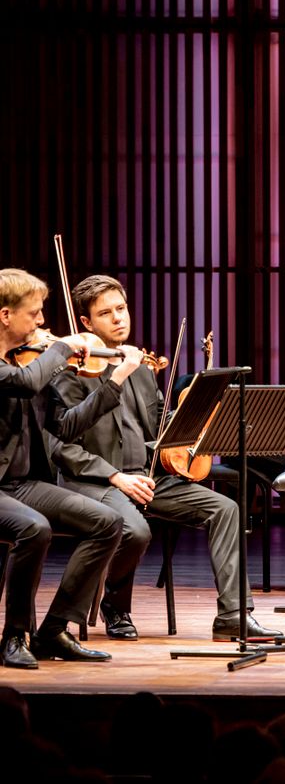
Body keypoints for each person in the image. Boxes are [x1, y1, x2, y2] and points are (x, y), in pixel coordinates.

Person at [52, 274, 282, 642]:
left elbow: (159, 427)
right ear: (85, 323)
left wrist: (195, 412)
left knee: (226, 509)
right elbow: (61, 446)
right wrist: (116, 477)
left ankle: (234, 616)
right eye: (106, 313)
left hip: (146, 478)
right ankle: (116, 605)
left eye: (121, 309)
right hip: (96, 482)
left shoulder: (143, 368)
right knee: (136, 530)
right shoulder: (70, 372)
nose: (118, 318)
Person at [0, 268, 140, 666]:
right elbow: (24, 382)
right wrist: (60, 350)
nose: (43, 323)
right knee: (34, 528)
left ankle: (54, 629)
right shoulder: (25, 367)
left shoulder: (33, 361)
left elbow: (64, 426)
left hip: (23, 483)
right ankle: (14, 636)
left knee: (107, 521)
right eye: (34, 314)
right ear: (6, 316)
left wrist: (114, 381)